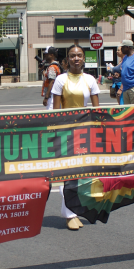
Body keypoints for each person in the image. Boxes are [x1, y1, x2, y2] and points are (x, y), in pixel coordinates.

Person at [51, 45, 101, 231]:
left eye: (79, 55)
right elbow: (56, 111)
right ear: (67, 60)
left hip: (86, 132)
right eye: (72, 56)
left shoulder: (90, 80)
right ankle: (69, 214)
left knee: (82, 174)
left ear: (83, 58)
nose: (76, 59)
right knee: (68, 174)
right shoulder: (60, 80)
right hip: (66, 132)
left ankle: (77, 209)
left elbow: (97, 110)